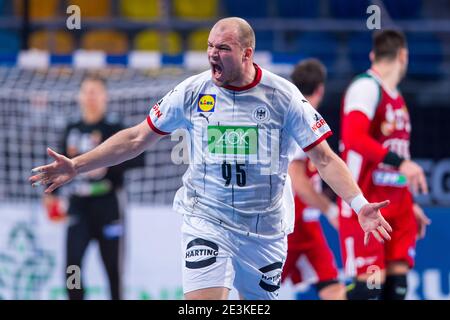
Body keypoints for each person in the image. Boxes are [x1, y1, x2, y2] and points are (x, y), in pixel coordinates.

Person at [30, 17, 392, 300]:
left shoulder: (284, 97)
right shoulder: (192, 91)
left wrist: (358, 204)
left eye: (224, 48)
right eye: (209, 46)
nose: (213, 54)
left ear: (247, 53)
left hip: (263, 229)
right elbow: (137, 137)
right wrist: (78, 165)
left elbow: (325, 158)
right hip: (207, 218)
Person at [338, 29, 431, 300]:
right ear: (404, 55)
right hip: (366, 202)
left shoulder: (398, 98)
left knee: (397, 288)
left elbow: (394, 160)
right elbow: (353, 138)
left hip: (398, 204)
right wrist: (401, 163)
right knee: (369, 289)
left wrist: (408, 200)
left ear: (373, 54)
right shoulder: (366, 86)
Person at [43, 75, 144, 300]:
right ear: (79, 96)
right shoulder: (72, 127)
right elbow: (59, 163)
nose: (91, 97)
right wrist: (51, 193)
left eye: (95, 92)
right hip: (78, 205)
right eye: (87, 91)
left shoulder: (114, 127)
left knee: (113, 268)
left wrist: (108, 165)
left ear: (105, 96)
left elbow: (139, 158)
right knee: (72, 266)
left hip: (109, 205)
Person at [281, 59, 346, 300]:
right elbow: (297, 181)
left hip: (304, 225)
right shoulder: (301, 117)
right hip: (291, 224)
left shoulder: (292, 114)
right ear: (320, 89)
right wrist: (331, 210)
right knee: (256, 294)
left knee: (331, 287)